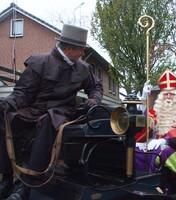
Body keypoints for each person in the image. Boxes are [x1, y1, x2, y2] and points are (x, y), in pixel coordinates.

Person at [0, 24, 103, 200]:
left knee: (49, 119)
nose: (83, 54)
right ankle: (6, 178)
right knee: (5, 116)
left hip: (61, 113)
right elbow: (23, 93)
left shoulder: (83, 68)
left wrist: (93, 100)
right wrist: (8, 104)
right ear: (70, 49)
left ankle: (28, 183)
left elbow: (96, 87)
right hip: (34, 110)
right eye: (81, 50)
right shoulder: (39, 62)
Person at [135, 69, 176, 173]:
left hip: (174, 146)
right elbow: (144, 123)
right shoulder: (155, 111)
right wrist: (144, 98)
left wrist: (165, 140)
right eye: (165, 94)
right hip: (153, 143)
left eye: (171, 94)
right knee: (134, 150)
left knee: (156, 152)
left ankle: (154, 183)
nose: (168, 97)